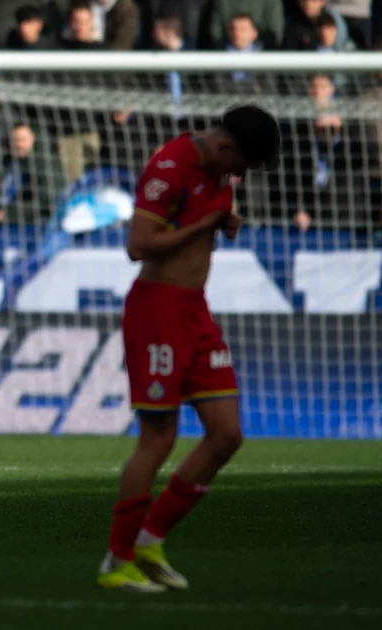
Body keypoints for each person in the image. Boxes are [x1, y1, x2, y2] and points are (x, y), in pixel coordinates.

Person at [98, 104, 280, 592]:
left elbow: (205, 212)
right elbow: (138, 244)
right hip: (157, 311)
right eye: (239, 165)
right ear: (224, 148)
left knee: (226, 435)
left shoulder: (218, 167)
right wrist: (207, 225)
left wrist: (224, 222)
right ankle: (118, 560)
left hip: (195, 310)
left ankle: (150, 540)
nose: (238, 175)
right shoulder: (170, 167)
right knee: (156, 439)